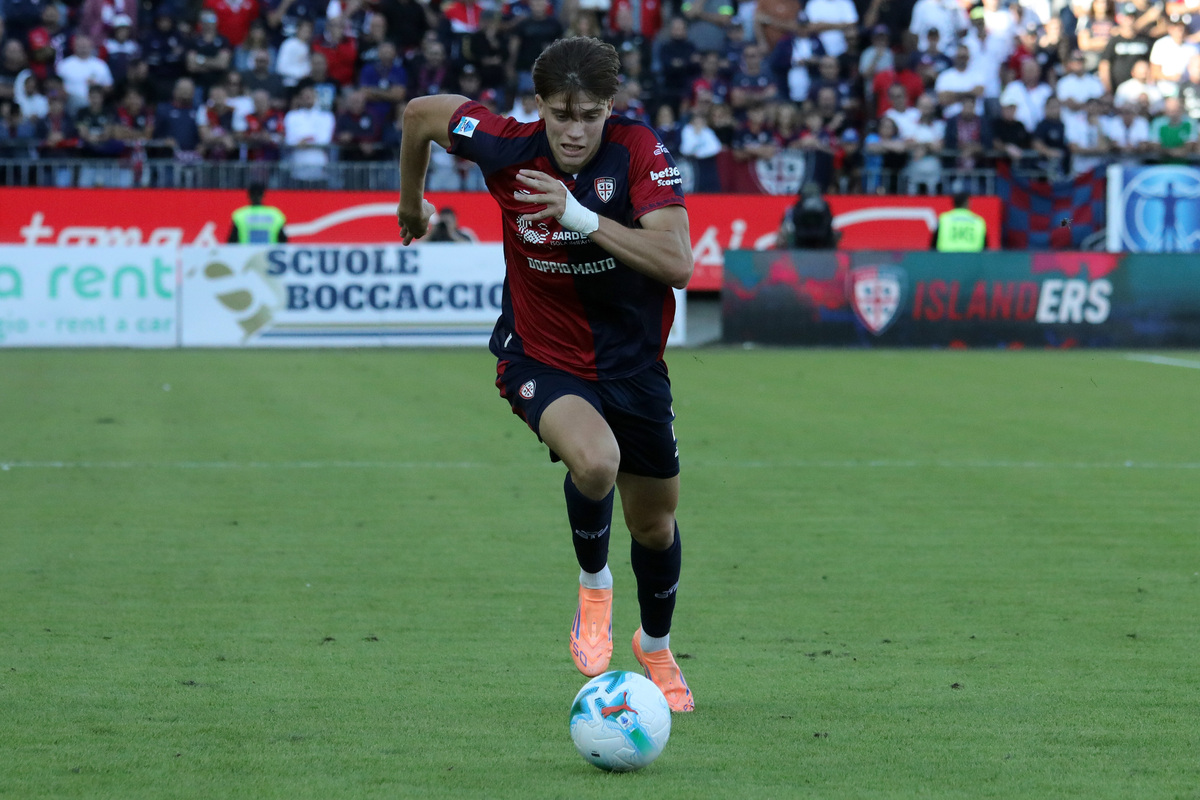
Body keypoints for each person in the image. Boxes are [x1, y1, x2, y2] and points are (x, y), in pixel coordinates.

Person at [396, 37, 695, 713]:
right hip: (540, 355)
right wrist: (412, 203)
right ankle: (595, 589)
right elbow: (419, 115)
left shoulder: (638, 150)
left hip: (635, 366)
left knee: (654, 524)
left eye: (589, 113)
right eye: (561, 114)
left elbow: (678, 262)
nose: (575, 128)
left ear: (609, 108)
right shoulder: (505, 143)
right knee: (595, 463)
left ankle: (655, 645)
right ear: (540, 108)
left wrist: (578, 216)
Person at [779, 181, 838, 248]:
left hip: (822, 243)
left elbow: (828, 223)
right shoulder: (794, 209)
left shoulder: (825, 207)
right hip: (799, 244)